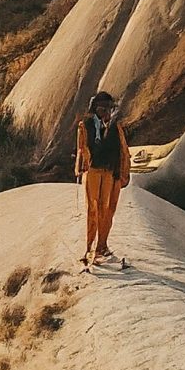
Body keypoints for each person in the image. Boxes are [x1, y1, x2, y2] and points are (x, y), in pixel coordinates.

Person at [74, 91, 131, 263]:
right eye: (101, 108)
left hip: (109, 172)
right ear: (95, 108)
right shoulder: (86, 125)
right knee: (93, 207)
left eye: (107, 109)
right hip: (93, 170)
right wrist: (81, 167)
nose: (105, 112)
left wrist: (122, 172)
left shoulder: (115, 127)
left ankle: (102, 246)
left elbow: (122, 149)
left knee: (107, 209)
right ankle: (90, 247)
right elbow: (82, 148)